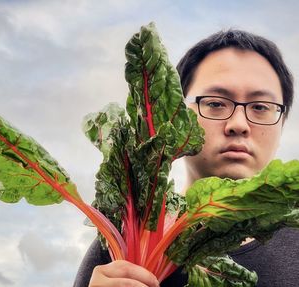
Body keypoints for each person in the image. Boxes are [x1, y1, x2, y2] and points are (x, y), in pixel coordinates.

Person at [73, 29, 299, 287]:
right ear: (177, 116)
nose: (239, 124)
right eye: (215, 103)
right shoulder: (117, 250)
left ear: (281, 124)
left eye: (260, 107)